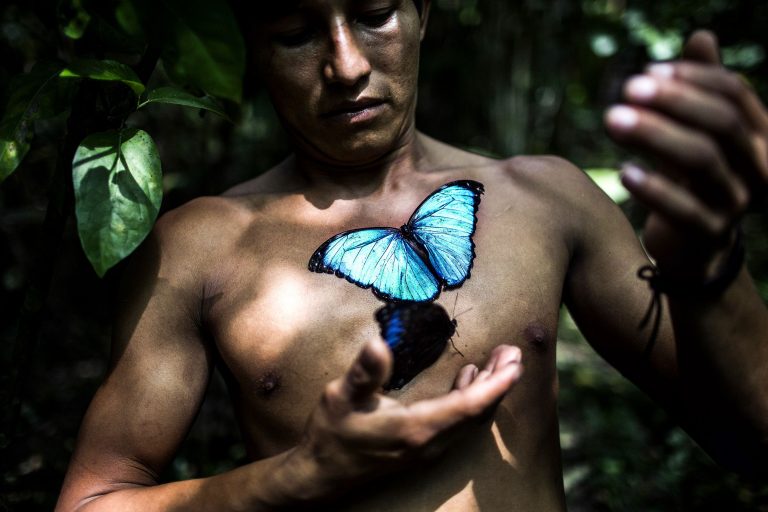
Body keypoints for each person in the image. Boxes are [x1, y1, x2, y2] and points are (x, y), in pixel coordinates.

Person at [56, 0, 768, 510]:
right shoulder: (199, 245)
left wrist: (709, 267)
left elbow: (751, 442)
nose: (346, 63)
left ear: (424, 12)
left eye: (374, 14)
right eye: (297, 32)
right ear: (253, 49)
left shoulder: (548, 198)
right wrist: (298, 476)